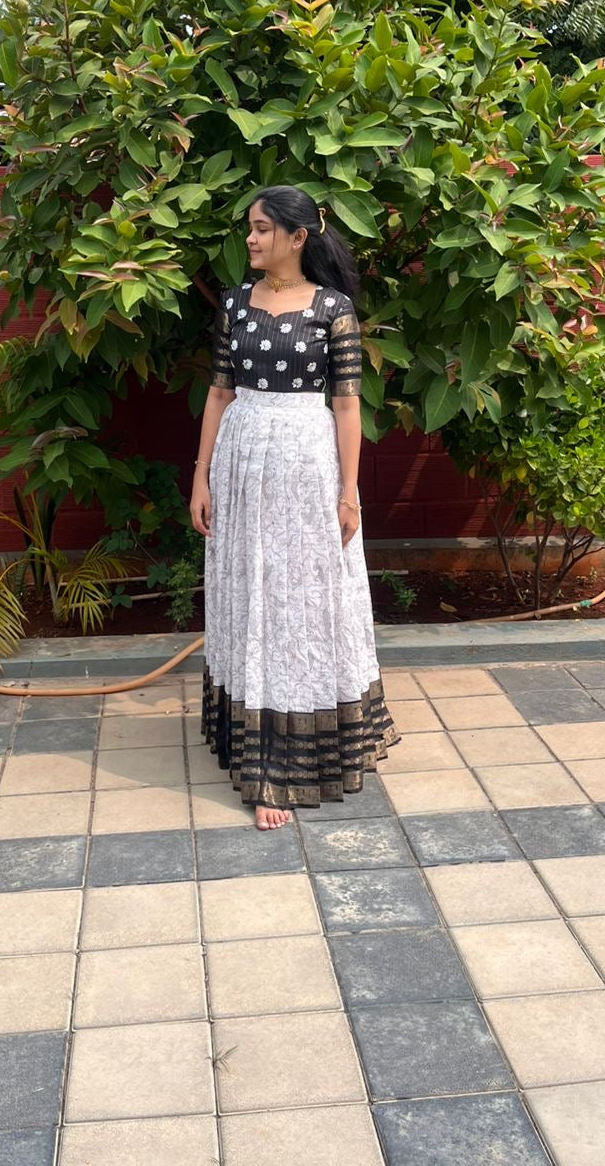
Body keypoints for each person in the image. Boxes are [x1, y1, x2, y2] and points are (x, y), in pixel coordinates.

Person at [190, 186, 400, 830]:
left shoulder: (333, 311)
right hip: (242, 464)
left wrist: (348, 493)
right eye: (249, 229)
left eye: (261, 229)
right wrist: (201, 477)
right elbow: (220, 394)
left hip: (309, 469)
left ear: (297, 236)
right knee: (251, 594)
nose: (251, 240)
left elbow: (346, 406)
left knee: (304, 600)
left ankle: (292, 763)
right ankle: (258, 759)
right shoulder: (234, 306)